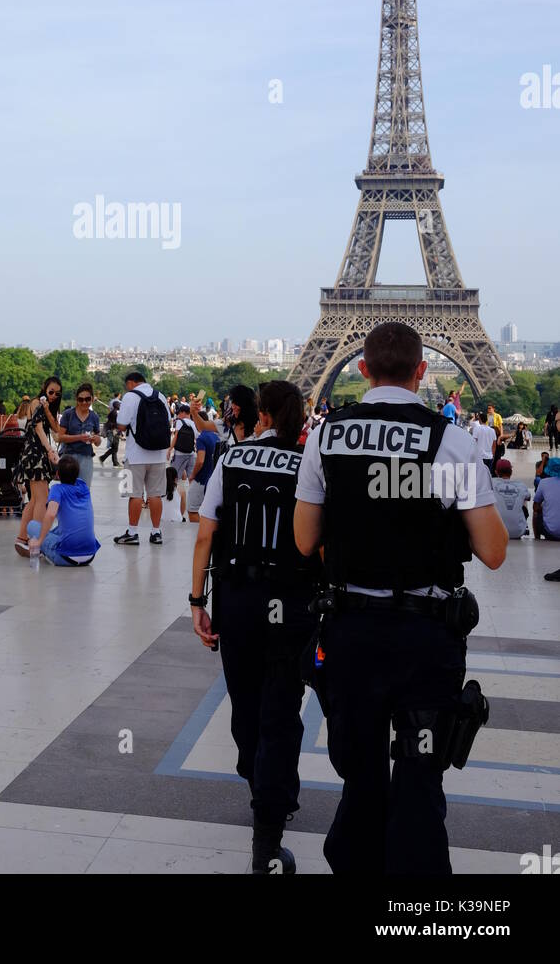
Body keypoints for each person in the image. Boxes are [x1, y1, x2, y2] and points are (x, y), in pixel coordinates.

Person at [293, 321, 507, 875]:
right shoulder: (450, 439)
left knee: (360, 776)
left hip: (351, 630)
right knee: (418, 780)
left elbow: (304, 540)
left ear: (361, 370)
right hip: (424, 633)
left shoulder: (327, 435)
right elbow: (493, 551)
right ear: (422, 370)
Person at [191, 381, 322, 874]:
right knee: (283, 709)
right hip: (291, 601)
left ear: (261, 415)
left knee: (244, 704)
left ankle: (258, 778)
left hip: (238, 600)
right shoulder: (310, 462)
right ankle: (270, 818)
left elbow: (206, 534)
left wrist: (195, 601)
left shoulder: (233, 457)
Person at [113, 371, 172, 545]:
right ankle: (156, 532)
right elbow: (168, 421)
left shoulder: (130, 396)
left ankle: (132, 532)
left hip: (135, 454)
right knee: (156, 495)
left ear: (131, 383)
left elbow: (122, 425)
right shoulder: (159, 395)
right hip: (159, 455)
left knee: (135, 495)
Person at [14, 377, 63, 555]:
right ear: (44, 388)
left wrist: (49, 410)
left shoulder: (44, 406)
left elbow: (57, 429)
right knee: (42, 499)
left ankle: (22, 538)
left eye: (57, 394)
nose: (53, 396)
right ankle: (35, 541)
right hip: (36, 454)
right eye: (51, 392)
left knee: (35, 499)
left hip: (34, 453)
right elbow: (38, 428)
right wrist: (50, 450)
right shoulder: (35, 402)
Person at [31, 454, 101, 567]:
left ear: (58, 474)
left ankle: (42, 546)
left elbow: (51, 514)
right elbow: (70, 473)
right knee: (61, 528)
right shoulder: (83, 486)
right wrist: (64, 466)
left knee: (32, 526)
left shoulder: (57, 489)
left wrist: (39, 541)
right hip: (90, 556)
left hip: (66, 558)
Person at [57, 384, 101, 491]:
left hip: (86, 457)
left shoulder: (94, 416)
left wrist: (95, 439)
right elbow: (60, 437)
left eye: (87, 399)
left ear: (92, 399)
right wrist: (79, 437)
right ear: (77, 400)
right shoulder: (68, 414)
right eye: (81, 399)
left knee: (84, 490)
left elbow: (98, 441)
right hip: (69, 457)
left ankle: (81, 508)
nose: (84, 402)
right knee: (68, 489)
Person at [186, 412, 221, 522]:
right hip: (213, 478)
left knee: (192, 509)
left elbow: (200, 461)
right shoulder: (216, 436)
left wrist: (192, 475)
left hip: (202, 479)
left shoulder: (201, 438)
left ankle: (197, 534)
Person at [168, 403, 197, 516]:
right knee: (192, 480)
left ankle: (176, 507)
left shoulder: (180, 422)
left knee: (174, 480)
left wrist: (170, 449)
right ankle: (194, 503)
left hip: (180, 454)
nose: (178, 415)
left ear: (184, 413)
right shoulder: (194, 424)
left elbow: (176, 436)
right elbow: (196, 438)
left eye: (179, 413)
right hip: (191, 454)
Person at [491, 459, 529, 539]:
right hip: (518, 532)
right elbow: (528, 497)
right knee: (524, 499)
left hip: (495, 531)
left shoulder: (490, 482)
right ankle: (522, 526)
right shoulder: (520, 485)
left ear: (496, 472)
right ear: (511, 472)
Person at [533, 457, 560, 541]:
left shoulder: (543, 482)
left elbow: (535, 506)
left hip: (550, 532)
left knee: (536, 513)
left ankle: (537, 539)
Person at [98, 401, 121, 466]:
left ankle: (115, 462)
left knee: (114, 448)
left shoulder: (113, 412)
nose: (120, 406)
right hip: (114, 432)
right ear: (116, 405)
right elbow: (114, 423)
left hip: (114, 431)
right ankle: (102, 458)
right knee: (115, 448)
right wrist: (116, 431)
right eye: (119, 404)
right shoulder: (115, 413)